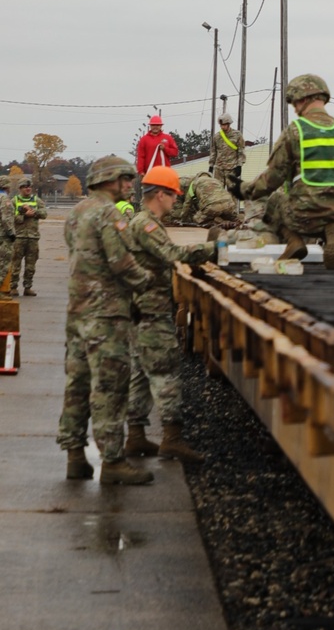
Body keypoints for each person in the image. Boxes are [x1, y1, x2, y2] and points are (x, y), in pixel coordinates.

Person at [57, 155, 155, 485]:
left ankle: (74, 456)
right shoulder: (109, 214)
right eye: (125, 179)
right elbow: (121, 264)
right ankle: (112, 461)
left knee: (78, 384)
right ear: (108, 180)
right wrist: (146, 282)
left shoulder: (76, 212)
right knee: (110, 387)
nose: (130, 185)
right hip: (107, 314)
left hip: (78, 312)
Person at [124, 165, 216, 463]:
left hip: (141, 310)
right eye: (174, 195)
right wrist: (216, 248)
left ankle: (136, 437)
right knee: (166, 372)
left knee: (140, 374)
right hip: (151, 310)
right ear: (160, 194)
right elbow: (173, 256)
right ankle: (172, 438)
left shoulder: (144, 222)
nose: (176, 201)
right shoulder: (145, 224)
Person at [244, 73, 334, 269]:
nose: (295, 110)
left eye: (295, 104)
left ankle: (294, 240)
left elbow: (273, 177)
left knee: (271, 200)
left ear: (304, 99)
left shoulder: (296, 131)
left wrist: (246, 189)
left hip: (303, 213)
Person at [176, 170, 241, 237]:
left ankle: (218, 224)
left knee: (197, 219)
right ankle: (238, 225)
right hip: (229, 204)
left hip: (212, 206)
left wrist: (182, 219)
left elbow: (187, 203)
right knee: (233, 219)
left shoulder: (194, 183)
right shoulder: (216, 181)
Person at [10, 182, 48, 296]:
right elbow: (10, 217)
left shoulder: (37, 200)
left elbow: (44, 214)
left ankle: (28, 287)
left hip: (33, 237)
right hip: (19, 236)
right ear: (20, 188)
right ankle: (13, 287)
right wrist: (24, 215)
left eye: (29, 187)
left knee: (31, 264)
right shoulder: (14, 201)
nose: (28, 189)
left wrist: (33, 211)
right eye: (25, 187)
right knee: (15, 263)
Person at [209, 112, 246, 190]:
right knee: (218, 193)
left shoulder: (237, 135)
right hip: (219, 169)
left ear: (229, 124)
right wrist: (211, 166)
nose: (222, 127)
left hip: (232, 169)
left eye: (224, 125)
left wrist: (239, 165)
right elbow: (213, 152)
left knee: (232, 194)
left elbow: (241, 151)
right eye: (221, 125)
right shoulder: (217, 136)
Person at [0, 179, 16, 297]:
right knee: (4, 263)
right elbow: (6, 218)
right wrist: (11, 232)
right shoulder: (4, 199)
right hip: (3, 236)